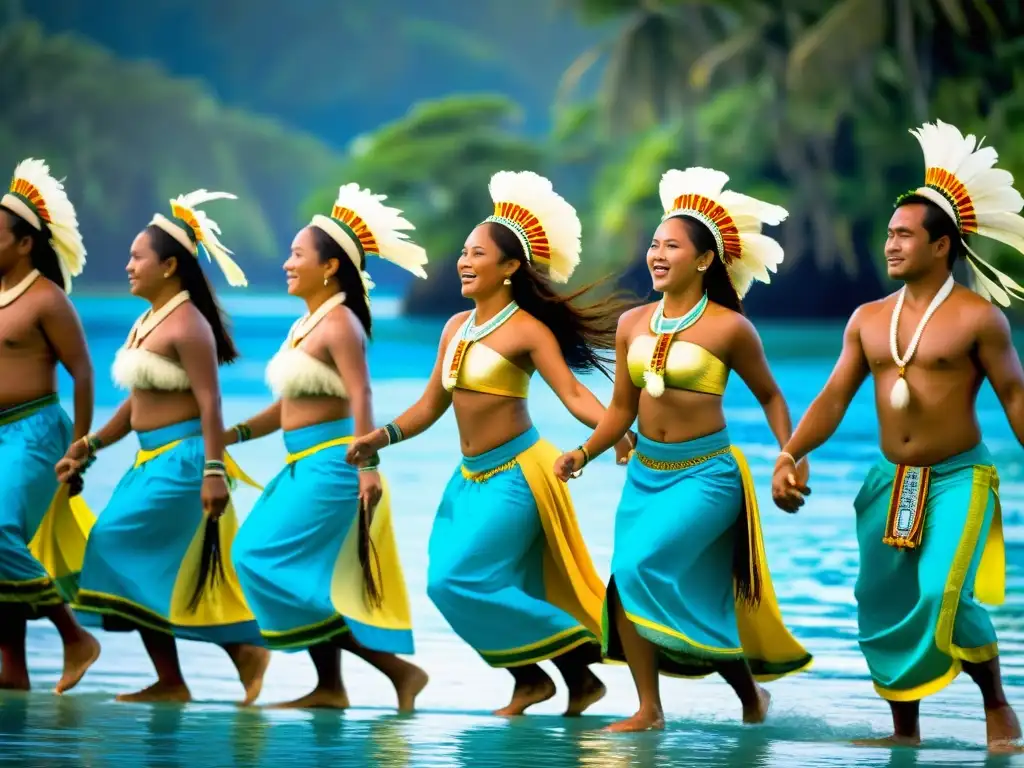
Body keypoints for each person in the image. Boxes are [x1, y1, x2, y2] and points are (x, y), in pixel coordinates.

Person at [772, 120, 1024, 753]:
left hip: (959, 476)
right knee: (880, 597)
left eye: (904, 235)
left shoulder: (978, 318)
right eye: (888, 234)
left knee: (944, 587)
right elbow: (833, 396)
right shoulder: (867, 319)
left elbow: (1015, 396)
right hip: (890, 481)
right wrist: (791, 452)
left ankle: (996, 703)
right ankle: (903, 731)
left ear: (942, 246)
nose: (890, 245)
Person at [346, 170, 635, 716]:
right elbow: (430, 407)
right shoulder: (455, 327)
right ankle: (538, 680)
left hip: (520, 476)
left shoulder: (527, 329)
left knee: (464, 577)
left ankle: (579, 657)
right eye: (463, 251)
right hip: (469, 480)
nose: (463, 260)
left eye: (477, 253)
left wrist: (612, 434)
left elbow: (573, 392)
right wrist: (379, 438)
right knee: (443, 584)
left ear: (508, 268)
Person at [554, 168, 813, 732]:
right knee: (626, 580)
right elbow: (622, 410)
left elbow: (771, 396)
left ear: (702, 261)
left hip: (708, 476)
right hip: (647, 474)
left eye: (671, 245)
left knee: (644, 565)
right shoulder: (631, 324)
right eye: (653, 244)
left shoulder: (729, 329)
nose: (656, 253)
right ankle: (652, 709)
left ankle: (744, 693)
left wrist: (790, 454)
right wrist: (583, 453)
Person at [56, 190, 270, 704]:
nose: (127, 265)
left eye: (137, 257)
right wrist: (89, 445)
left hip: (183, 462)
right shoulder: (148, 319)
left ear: (170, 266)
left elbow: (212, 403)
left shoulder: (188, 323)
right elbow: (134, 406)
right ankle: (176, 678)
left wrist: (215, 472)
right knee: (147, 567)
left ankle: (240, 651)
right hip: (147, 460)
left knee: (110, 543)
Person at [229, 183, 429, 711]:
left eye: (298, 255)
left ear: (330, 267)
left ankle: (398, 670)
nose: (287, 263)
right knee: (294, 570)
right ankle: (331, 688)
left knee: (257, 557)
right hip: (302, 463)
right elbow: (290, 406)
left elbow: (362, 391)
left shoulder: (340, 323)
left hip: (334, 464)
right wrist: (238, 433)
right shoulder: (305, 324)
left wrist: (369, 464)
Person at [0, 158, 99, 693]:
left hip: (35, 430)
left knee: (0, 533)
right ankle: (12, 670)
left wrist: (81, 445)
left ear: (23, 244)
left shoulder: (46, 299)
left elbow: (82, 373)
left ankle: (74, 635)